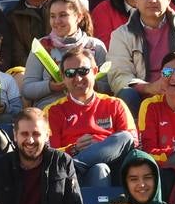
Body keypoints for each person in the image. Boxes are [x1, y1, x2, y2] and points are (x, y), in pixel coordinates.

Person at [46, 46, 138, 186]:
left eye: (83, 71)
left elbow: (133, 142)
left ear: (95, 72)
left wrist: (102, 148)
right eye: (70, 73)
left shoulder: (115, 104)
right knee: (99, 169)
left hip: (114, 166)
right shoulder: (53, 111)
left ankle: (77, 164)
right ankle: (77, 164)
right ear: (63, 78)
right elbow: (49, 153)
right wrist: (74, 148)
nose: (78, 78)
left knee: (125, 137)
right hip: (72, 176)